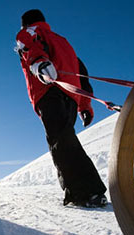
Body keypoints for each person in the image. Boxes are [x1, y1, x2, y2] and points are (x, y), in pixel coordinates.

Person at [15, 9, 107, 207]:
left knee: (60, 141)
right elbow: (81, 72)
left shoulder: (29, 33)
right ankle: (88, 191)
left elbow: (29, 47)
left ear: (26, 23)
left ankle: (85, 192)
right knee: (66, 139)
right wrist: (85, 105)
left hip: (49, 91)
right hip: (71, 96)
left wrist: (39, 64)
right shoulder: (63, 41)